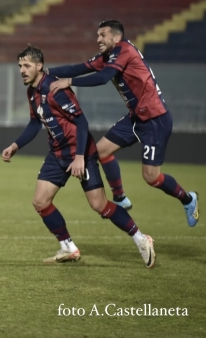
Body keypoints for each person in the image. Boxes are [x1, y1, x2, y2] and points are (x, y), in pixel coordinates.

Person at [2, 45, 156, 267]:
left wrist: (80, 157)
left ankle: (141, 239)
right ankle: (68, 247)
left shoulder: (55, 89)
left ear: (39, 66)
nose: (22, 70)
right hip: (57, 154)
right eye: (19, 66)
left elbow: (81, 122)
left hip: (81, 153)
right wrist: (16, 145)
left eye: (26, 66)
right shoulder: (32, 93)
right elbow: (35, 123)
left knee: (100, 205)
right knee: (40, 201)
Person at [48, 19, 198, 227]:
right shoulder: (109, 56)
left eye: (102, 35)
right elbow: (79, 67)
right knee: (100, 151)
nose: (98, 39)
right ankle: (120, 198)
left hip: (155, 120)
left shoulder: (124, 50)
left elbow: (102, 78)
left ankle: (189, 199)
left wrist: (69, 82)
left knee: (151, 177)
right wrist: (46, 72)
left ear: (116, 37)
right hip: (136, 117)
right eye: (98, 35)